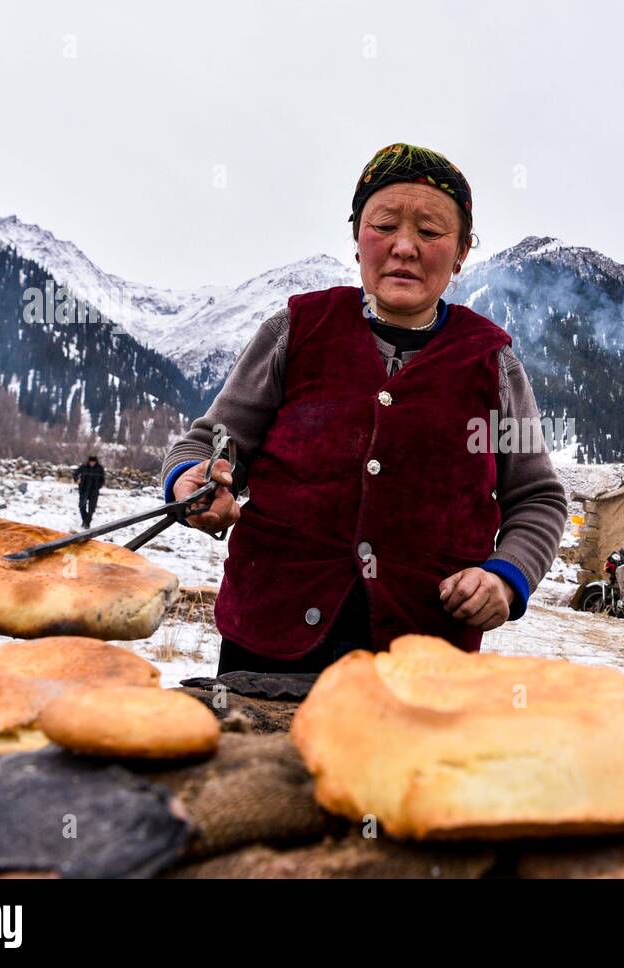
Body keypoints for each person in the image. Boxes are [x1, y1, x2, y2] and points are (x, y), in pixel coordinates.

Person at [159, 142, 568, 675]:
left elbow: (536, 497)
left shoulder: (492, 363)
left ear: (462, 252)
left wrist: (506, 576)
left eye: (430, 231)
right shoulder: (295, 331)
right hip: (270, 639)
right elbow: (209, 446)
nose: (404, 247)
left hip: (425, 653)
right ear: (357, 239)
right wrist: (194, 480)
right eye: (384, 225)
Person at [71, 454, 105, 528]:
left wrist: (98, 486)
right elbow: (75, 473)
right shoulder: (83, 467)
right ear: (89, 461)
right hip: (84, 489)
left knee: (91, 508)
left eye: (93, 462)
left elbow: (102, 480)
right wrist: (77, 480)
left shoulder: (99, 468)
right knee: (81, 506)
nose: (92, 463)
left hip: (94, 491)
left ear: (96, 462)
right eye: (91, 462)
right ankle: (85, 520)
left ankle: (87, 523)